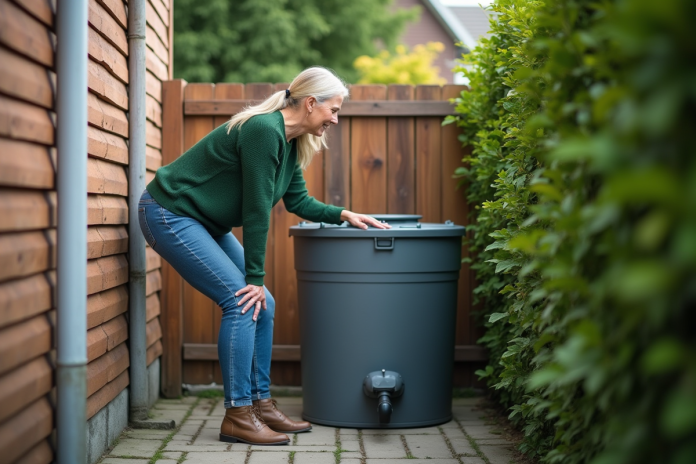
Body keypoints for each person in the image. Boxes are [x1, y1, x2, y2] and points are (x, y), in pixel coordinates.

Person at [138, 67, 390, 445]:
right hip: (170, 212)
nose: (335, 119)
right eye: (333, 110)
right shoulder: (263, 131)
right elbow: (257, 211)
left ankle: (261, 403)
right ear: (310, 103)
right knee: (242, 301)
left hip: (204, 221)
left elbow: (298, 201)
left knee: (264, 304)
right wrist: (254, 278)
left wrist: (343, 214)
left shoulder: (292, 144)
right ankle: (238, 415)